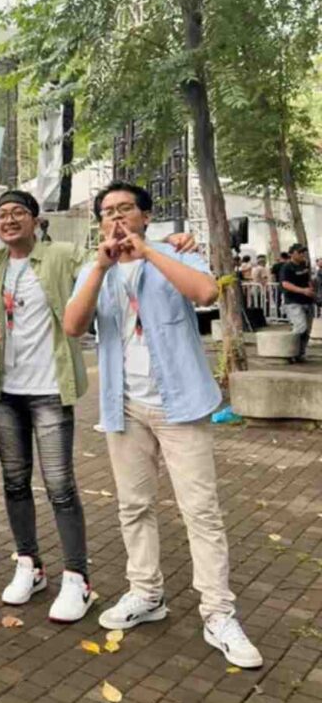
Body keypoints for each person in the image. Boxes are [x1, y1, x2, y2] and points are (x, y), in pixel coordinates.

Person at [63, 180, 262, 668]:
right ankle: (146, 593)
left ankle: (218, 612)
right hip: (124, 405)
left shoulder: (176, 255)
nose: (115, 218)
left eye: (125, 209)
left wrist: (148, 251)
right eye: (107, 211)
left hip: (180, 406)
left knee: (201, 511)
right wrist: (101, 267)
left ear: (146, 216)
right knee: (134, 506)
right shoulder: (96, 268)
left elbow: (205, 292)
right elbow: (72, 325)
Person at [0, 190, 94, 623]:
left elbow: (104, 263)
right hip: (5, 392)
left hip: (50, 389)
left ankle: (77, 578)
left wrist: (167, 244)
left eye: (19, 212)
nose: (10, 220)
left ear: (36, 220)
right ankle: (29, 565)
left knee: (60, 487)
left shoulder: (62, 255)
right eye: (2, 214)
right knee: (14, 483)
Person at [280, 244, 316, 363]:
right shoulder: (287, 267)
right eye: (299, 252)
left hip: (307, 301)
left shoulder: (304, 264)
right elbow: (285, 284)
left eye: (303, 252)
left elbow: (308, 279)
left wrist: (311, 289)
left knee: (307, 330)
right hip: (293, 302)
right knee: (301, 327)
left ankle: (300, 353)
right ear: (292, 253)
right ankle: (288, 351)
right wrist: (302, 290)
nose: (302, 254)